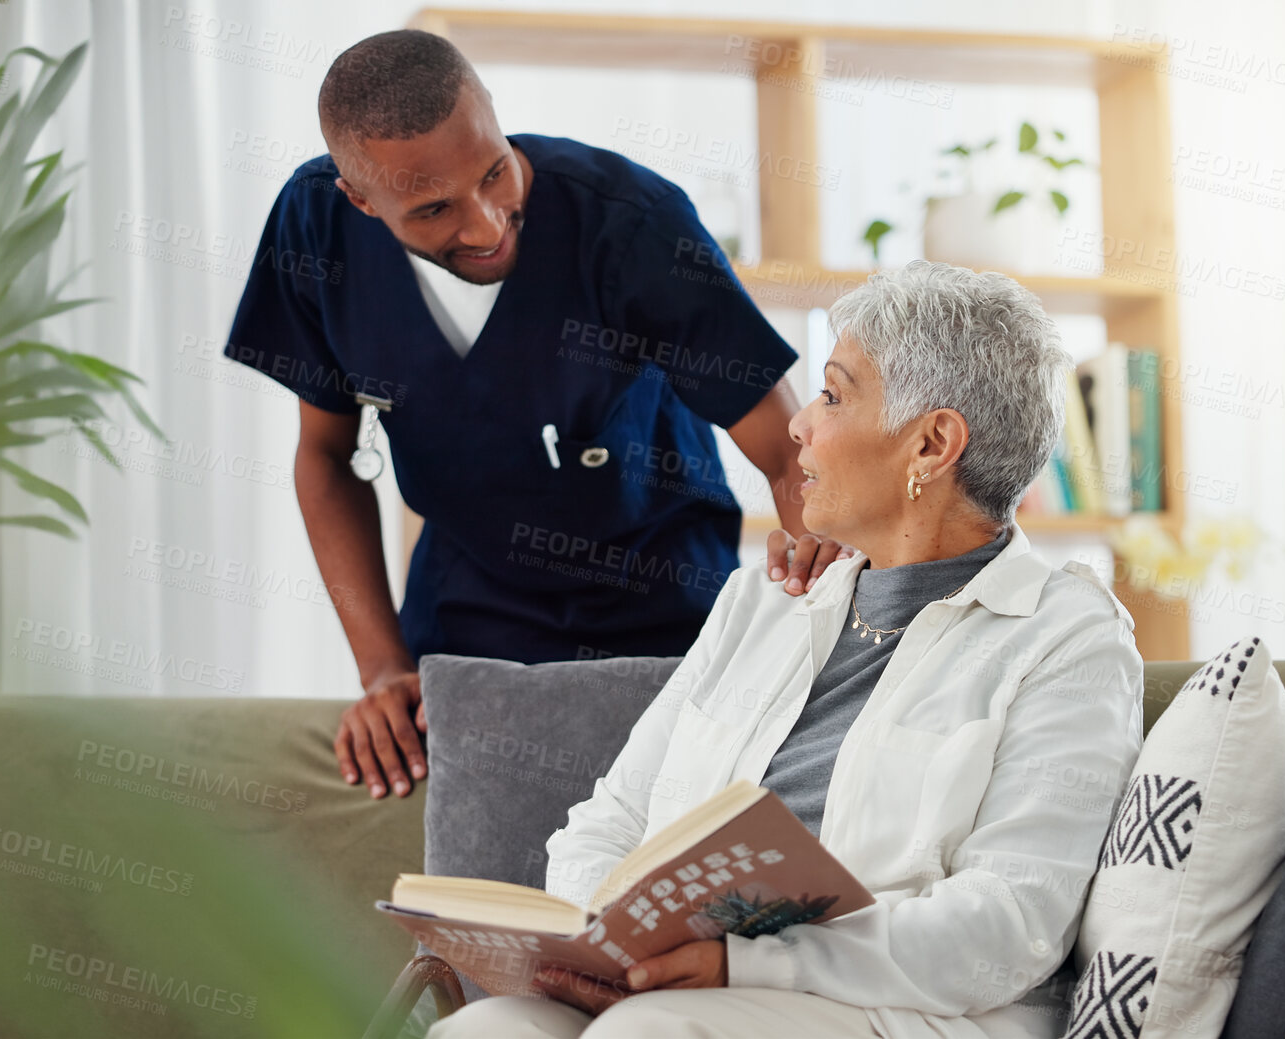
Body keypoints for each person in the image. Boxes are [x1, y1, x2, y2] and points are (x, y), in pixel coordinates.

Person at [426, 261, 1145, 1039]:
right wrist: (606, 943)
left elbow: (1011, 919)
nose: (798, 424)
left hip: (909, 1012)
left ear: (932, 445)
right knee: (488, 1030)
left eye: (833, 394)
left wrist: (741, 962)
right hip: (689, 987)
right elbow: (614, 815)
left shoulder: (1066, 637)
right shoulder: (763, 600)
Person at [224, 31, 847, 803]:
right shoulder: (315, 228)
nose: (486, 225)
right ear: (360, 199)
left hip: (665, 614)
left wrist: (820, 638)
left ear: (491, 110)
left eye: (494, 172)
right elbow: (325, 457)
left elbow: (792, 457)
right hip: (469, 627)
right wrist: (383, 668)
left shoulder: (635, 225)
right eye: (433, 209)